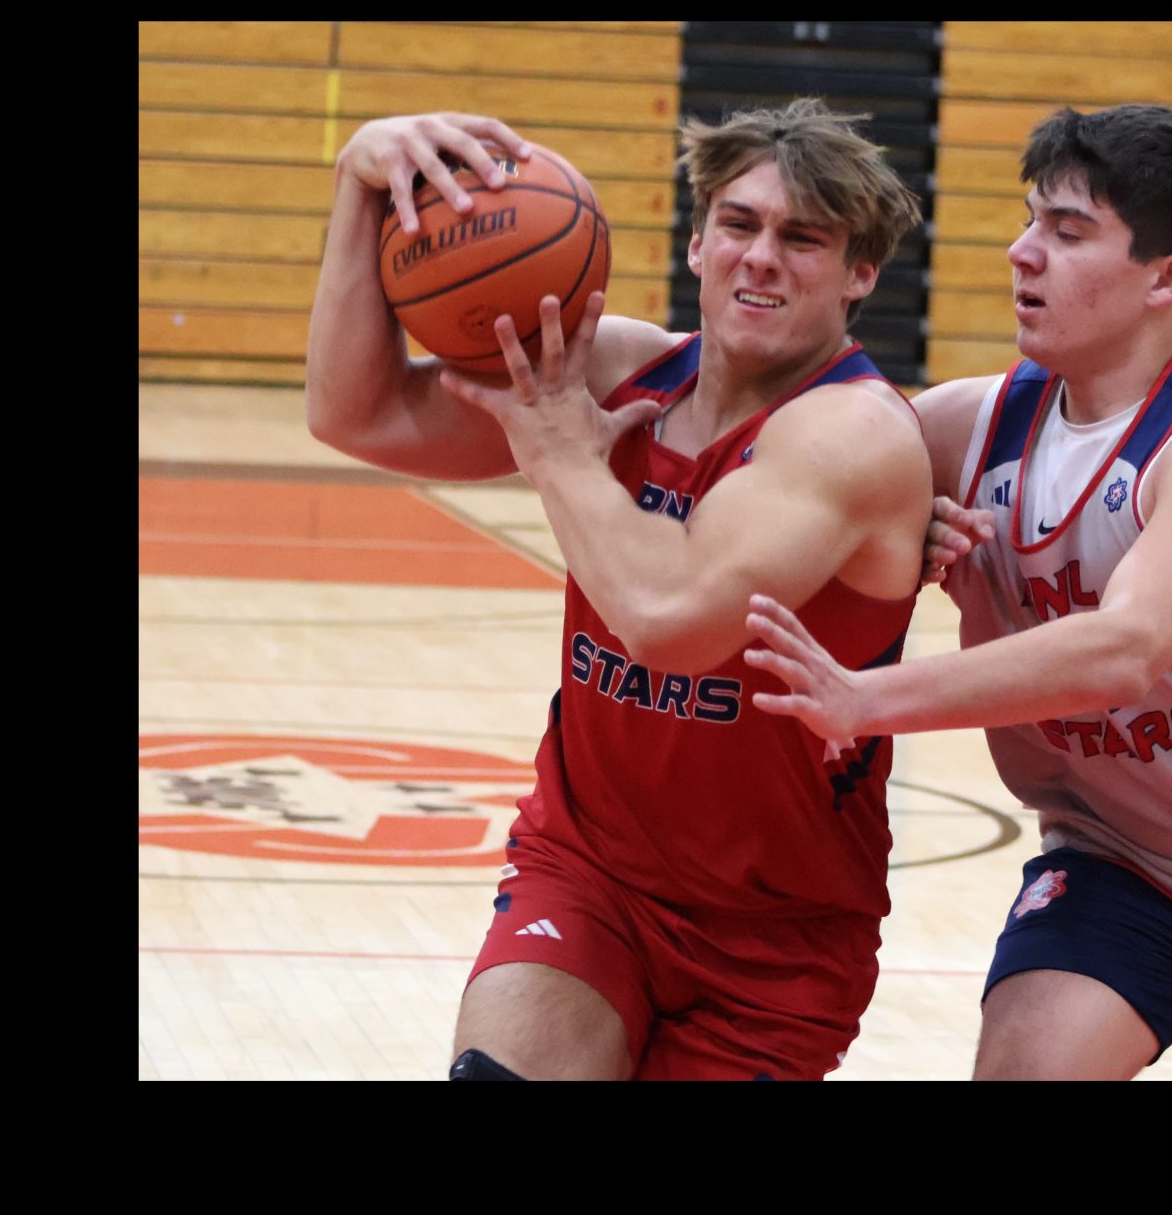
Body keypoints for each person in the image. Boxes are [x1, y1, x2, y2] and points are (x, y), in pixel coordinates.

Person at [742, 103, 1172, 1081]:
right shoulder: (961, 428)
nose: (1021, 250)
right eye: (1030, 218)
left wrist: (865, 699)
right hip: (1119, 854)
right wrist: (895, 533)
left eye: (1068, 231)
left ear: (1167, 278)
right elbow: (768, 471)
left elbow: (1125, 650)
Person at [305, 101, 932, 1080]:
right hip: (587, 871)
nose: (761, 256)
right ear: (697, 243)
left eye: (803, 238)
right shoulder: (616, 370)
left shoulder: (849, 434)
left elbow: (667, 622)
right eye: (739, 224)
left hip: (771, 940)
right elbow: (356, 413)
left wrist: (559, 455)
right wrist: (357, 186)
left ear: (862, 273)